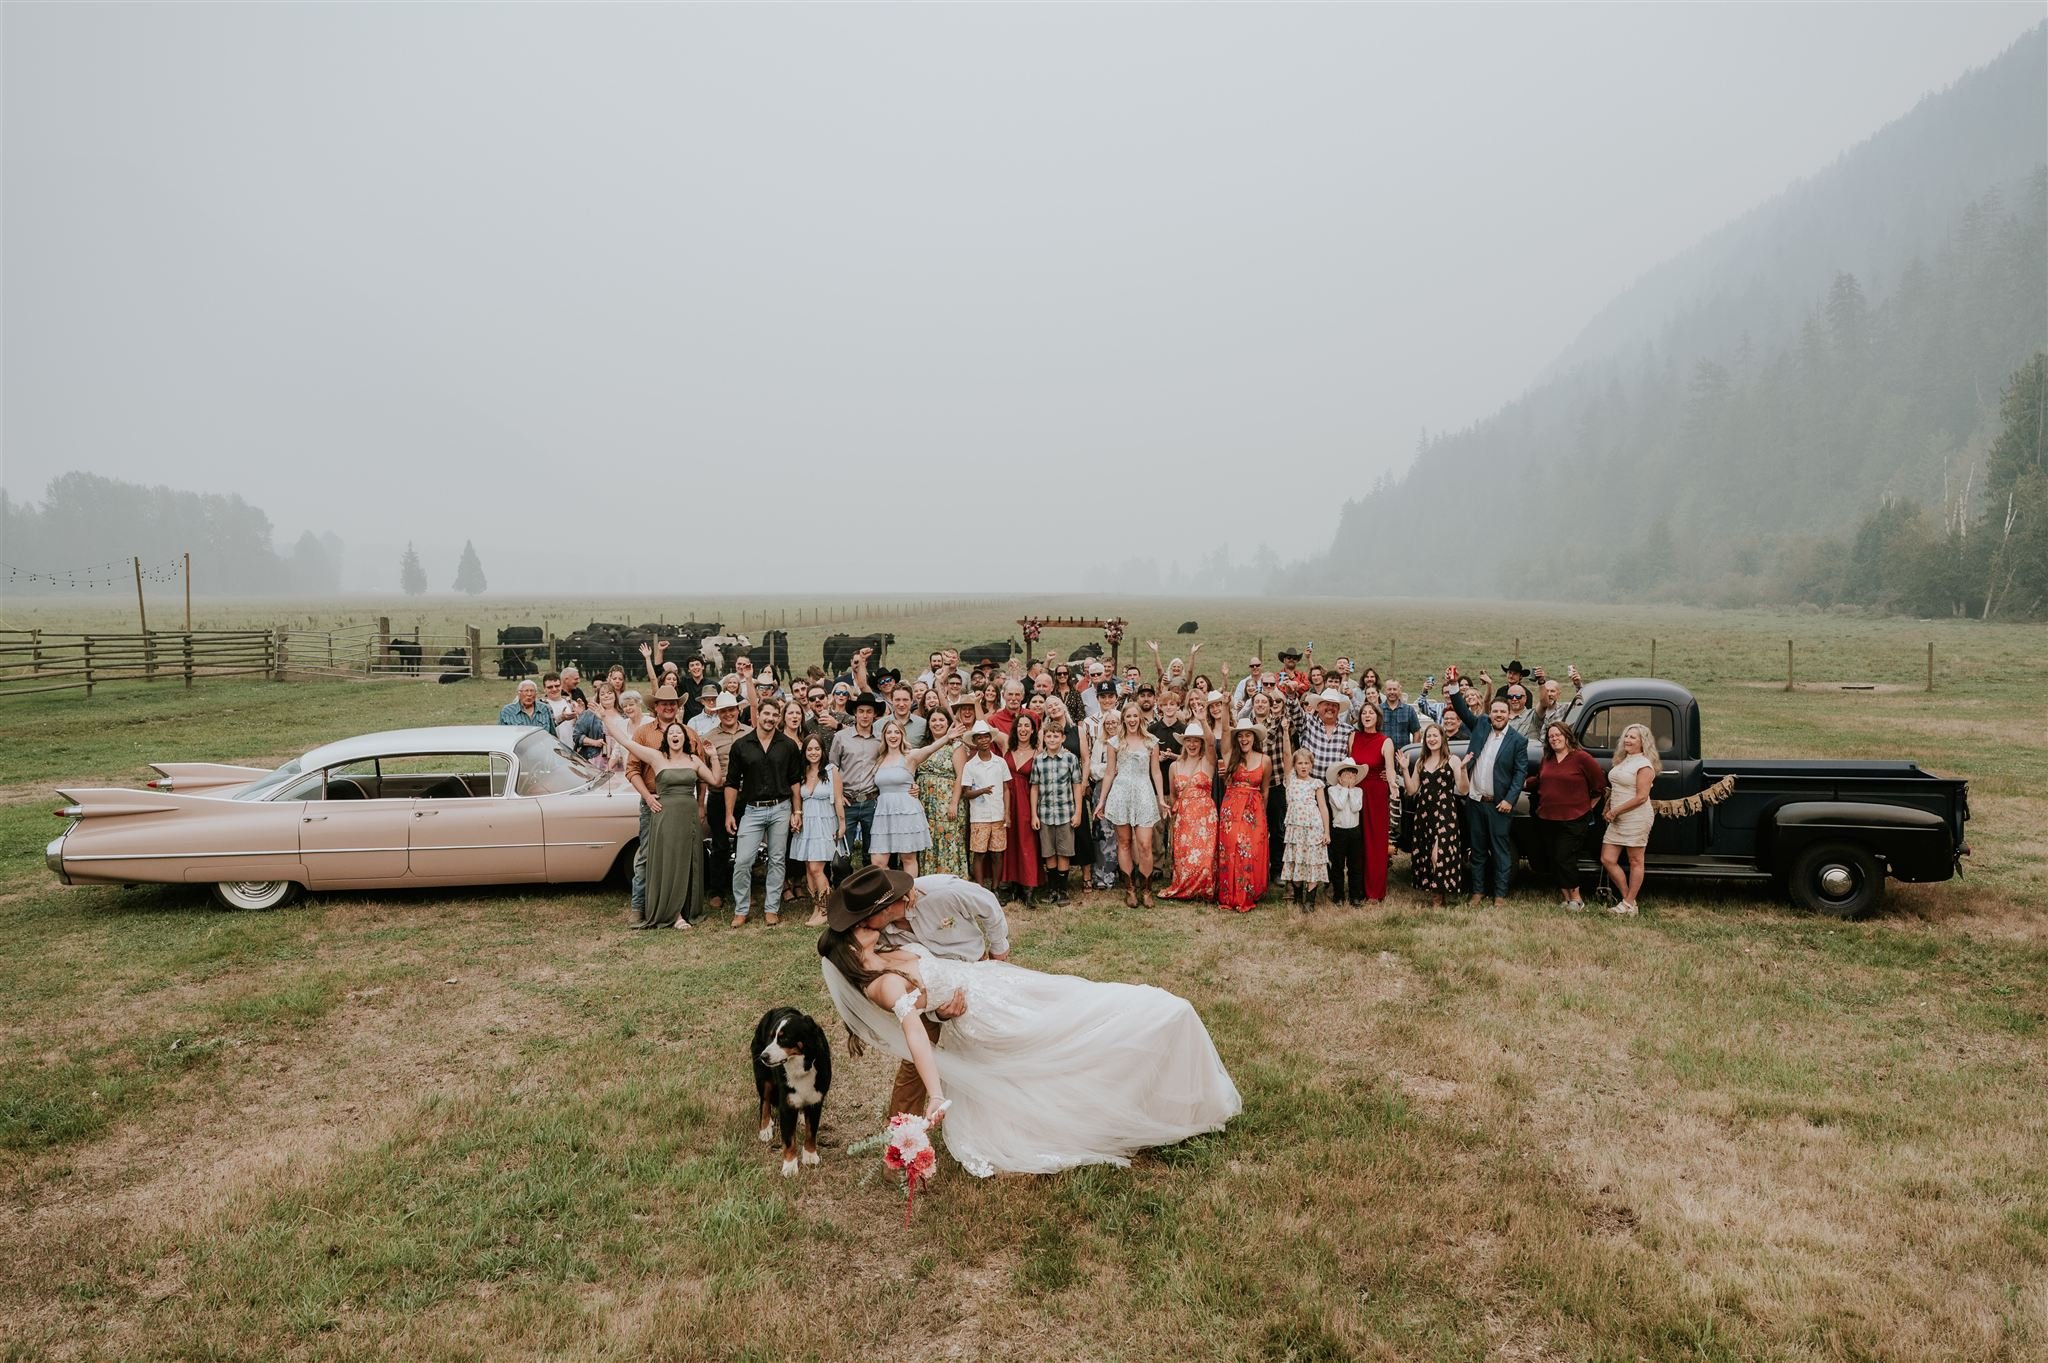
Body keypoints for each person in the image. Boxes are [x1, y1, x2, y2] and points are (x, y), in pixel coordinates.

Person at [818, 866, 1240, 1177]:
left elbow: (988, 910)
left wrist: (997, 958)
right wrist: (935, 1086)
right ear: (864, 925)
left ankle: (1151, 1045)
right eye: (862, 925)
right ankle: (904, 1143)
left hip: (997, 982)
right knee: (1064, 1042)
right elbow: (912, 1028)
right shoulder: (884, 975)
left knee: (1081, 1008)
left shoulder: (930, 904)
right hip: (983, 1013)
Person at [610, 719, 718, 929]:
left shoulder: (694, 759)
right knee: (668, 862)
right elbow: (625, 741)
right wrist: (606, 717)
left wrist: (713, 757)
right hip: (665, 816)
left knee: (688, 861)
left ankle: (685, 909)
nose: (675, 735)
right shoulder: (657, 757)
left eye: (679, 733)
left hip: (688, 817)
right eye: (671, 733)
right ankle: (674, 914)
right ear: (666, 739)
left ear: (685, 738)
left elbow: (715, 780)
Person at [724, 697, 804, 927]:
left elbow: (794, 781)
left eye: (774, 715)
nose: (770, 719)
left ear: (779, 719)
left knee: (777, 860)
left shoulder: (787, 745)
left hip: (781, 808)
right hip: (752, 811)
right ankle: (741, 909)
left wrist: (797, 811)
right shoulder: (741, 745)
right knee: (743, 861)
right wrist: (729, 813)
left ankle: (771, 908)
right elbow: (731, 782)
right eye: (766, 714)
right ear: (757, 715)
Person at [1451, 687, 1531, 908]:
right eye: (1494, 711)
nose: (1498, 715)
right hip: (1475, 802)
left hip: (1499, 806)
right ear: (1490, 713)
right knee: (1476, 850)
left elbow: (1519, 773)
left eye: (1502, 712)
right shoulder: (1481, 726)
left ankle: (1500, 894)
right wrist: (1453, 687)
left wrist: (1509, 799)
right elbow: (1461, 708)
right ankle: (1477, 892)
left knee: (1500, 851)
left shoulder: (1518, 741)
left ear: (1508, 715)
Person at [1524, 721, 1607, 911]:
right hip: (1547, 817)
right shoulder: (1548, 759)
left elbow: (1599, 786)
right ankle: (1566, 897)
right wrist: (1519, 783)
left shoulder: (1582, 758)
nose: (1554, 739)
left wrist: (1587, 808)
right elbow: (1539, 780)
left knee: (1565, 858)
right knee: (1554, 858)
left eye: (1558, 735)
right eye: (1551, 736)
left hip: (1574, 819)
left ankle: (1577, 898)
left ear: (1567, 736)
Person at [1095, 706, 1164, 907]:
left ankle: (1147, 889)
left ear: (1140, 718)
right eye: (1128, 716)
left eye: (1135, 716)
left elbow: (1156, 772)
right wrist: (1102, 801)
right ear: (1123, 719)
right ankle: (1130, 889)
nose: (1132, 719)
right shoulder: (1114, 742)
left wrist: (1160, 798)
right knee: (1124, 842)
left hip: (1143, 793)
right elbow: (1109, 773)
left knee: (1145, 844)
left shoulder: (1151, 742)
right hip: (1121, 793)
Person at [870, 720, 951, 876]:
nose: (893, 736)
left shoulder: (910, 756)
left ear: (902, 736)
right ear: (884, 736)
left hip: (906, 811)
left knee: (908, 858)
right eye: (889, 732)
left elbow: (930, 748)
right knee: (878, 862)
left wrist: (947, 737)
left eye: (897, 732)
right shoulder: (880, 759)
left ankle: (911, 895)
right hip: (884, 814)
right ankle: (891, 895)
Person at [1404, 722, 1468, 906]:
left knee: (1438, 854)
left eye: (1435, 736)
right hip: (1424, 813)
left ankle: (1438, 897)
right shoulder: (1421, 762)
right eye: (1429, 736)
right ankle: (1437, 892)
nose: (1432, 739)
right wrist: (1404, 769)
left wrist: (1463, 771)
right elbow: (1411, 790)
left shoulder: (1453, 760)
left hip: (1445, 812)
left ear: (1442, 738)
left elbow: (1464, 790)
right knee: (1426, 852)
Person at [1600, 723, 1659, 916]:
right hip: (1617, 816)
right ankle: (1629, 900)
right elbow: (1616, 788)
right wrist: (1609, 807)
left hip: (1636, 816)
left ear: (1643, 742)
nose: (1627, 740)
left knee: (1635, 860)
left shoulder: (1644, 764)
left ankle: (1627, 903)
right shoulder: (1623, 761)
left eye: (1633, 737)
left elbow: (1641, 796)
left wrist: (1616, 811)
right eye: (1626, 736)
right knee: (1607, 858)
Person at [789, 734, 846, 928]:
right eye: (809, 749)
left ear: (823, 751)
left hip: (825, 822)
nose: (813, 753)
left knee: (817, 868)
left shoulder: (831, 771)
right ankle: (817, 906)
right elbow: (798, 799)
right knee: (808, 870)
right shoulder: (802, 772)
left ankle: (826, 909)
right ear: (804, 752)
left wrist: (842, 824)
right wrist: (796, 816)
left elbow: (838, 800)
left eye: (817, 749)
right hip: (807, 824)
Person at [1216, 718, 1271, 911]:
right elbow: (1223, 732)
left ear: (1253, 737)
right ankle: (1229, 893)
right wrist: (1224, 705)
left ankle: (1248, 892)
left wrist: (1262, 816)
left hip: (1254, 810)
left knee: (1250, 850)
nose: (1244, 739)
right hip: (1232, 806)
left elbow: (1265, 790)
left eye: (1247, 735)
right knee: (1232, 849)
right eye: (1240, 736)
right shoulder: (1231, 755)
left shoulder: (1265, 759)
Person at [1347, 702, 1399, 903]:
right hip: (1356, 792)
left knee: (1375, 842)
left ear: (1377, 717)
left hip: (1376, 793)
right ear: (1360, 718)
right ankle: (1357, 889)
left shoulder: (1385, 741)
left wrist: (1393, 784)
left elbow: (1390, 768)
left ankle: (1375, 892)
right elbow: (1348, 764)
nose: (1367, 716)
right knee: (1357, 842)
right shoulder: (1353, 737)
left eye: (1371, 713)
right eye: (1364, 713)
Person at [1159, 723, 1218, 902]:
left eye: (1196, 741)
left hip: (1205, 816)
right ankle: (1185, 887)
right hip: (1184, 816)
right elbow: (1173, 795)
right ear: (1183, 743)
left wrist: (1203, 719)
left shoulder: (1207, 762)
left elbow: (1211, 743)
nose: (1192, 745)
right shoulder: (1174, 767)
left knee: (1204, 857)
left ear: (1201, 743)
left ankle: (1203, 889)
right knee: (1184, 856)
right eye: (1189, 741)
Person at [1030, 709, 1083, 904]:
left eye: (1056, 736)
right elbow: (1034, 788)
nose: (1052, 739)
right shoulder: (1038, 761)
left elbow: (1076, 786)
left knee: (1064, 851)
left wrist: (1078, 812)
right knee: (1049, 852)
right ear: (1044, 738)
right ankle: (1052, 889)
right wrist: (1034, 814)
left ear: (1062, 738)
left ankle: (1062, 890)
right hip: (1045, 814)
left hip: (1065, 813)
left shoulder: (1070, 759)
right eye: (1048, 736)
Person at [953, 721, 1011, 893]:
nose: (984, 740)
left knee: (997, 853)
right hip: (979, 816)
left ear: (990, 739)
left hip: (998, 815)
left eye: (986, 736)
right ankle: (980, 890)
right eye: (980, 738)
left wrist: (1007, 813)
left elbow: (1007, 789)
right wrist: (982, 791)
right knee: (979, 853)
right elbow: (966, 793)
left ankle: (995, 888)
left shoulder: (1000, 762)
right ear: (975, 741)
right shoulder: (970, 766)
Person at [912, 708, 970, 880]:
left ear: (948, 724)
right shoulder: (924, 746)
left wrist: (954, 802)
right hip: (925, 803)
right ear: (928, 724)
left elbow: (960, 775)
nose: (937, 724)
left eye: (941, 720)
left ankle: (950, 882)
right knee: (928, 842)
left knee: (947, 841)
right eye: (934, 721)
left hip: (947, 801)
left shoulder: (956, 746)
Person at [832, 693, 886, 866]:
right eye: (861, 711)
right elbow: (832, 768)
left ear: (874, 714)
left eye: (869, 711)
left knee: (871, 850)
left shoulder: (880, 739)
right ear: (855, 713)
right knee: (844, 850)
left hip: (871, 800)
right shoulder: (841, 737)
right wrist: (838, 797)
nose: (864, 715)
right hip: (848, 799)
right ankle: (843, 887)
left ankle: (870, 887)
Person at [999, 710, 1045, 905]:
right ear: (1015, 729)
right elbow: (986, 728)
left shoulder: (1038, 752)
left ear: (1033, 730)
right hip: (1007, 799)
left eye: (1028, 726)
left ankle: (1029, 887)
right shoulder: (1006, 748)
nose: (1023, 729)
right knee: (1009, 841)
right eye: (1020, 726)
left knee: (1027, 842)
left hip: (1027, 800)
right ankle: (1011, 884)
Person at [1279, 749, 1330, 910]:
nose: (1303, 766)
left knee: (1312, 862)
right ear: (1294, 765)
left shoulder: (1316, 783)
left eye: (1306, 763)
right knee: (1296, 861)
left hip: (1313, 828)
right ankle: (1298, 897)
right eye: (1300, 763)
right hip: (1296, 831)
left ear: (1312, 765)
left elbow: (1323, 807)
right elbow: (1286, 755)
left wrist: (1326, 831)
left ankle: (1310, 900)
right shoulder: (1290, 781)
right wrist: (1286, 730)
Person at [1325, 761, 1365, 906]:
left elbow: (1356, 807)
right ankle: (1339, 895)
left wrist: (1350, 789)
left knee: (1355, 865)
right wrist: (1346, 789)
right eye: (1346, 775)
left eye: (1353, 775)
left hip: (1354, 831)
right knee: (1338, 864)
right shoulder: (1332, 790)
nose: (1350, 778)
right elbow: (1340, 804)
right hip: (1339, 831)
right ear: (1339, 777)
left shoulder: (1358, 791)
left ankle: (1354, 895)